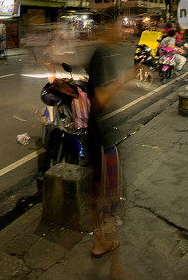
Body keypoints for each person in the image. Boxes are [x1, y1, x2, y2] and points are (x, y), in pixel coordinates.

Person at [85, 28, 128, 259]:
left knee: (104, 189)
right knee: (104, 191)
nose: (123, 31)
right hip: (100, 136)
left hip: (104, 132)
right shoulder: (101, 55)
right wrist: (125, 80)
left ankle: (102, 240)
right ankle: (100, 241)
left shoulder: (105, 53)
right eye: (119, 25)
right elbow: (101, 97)